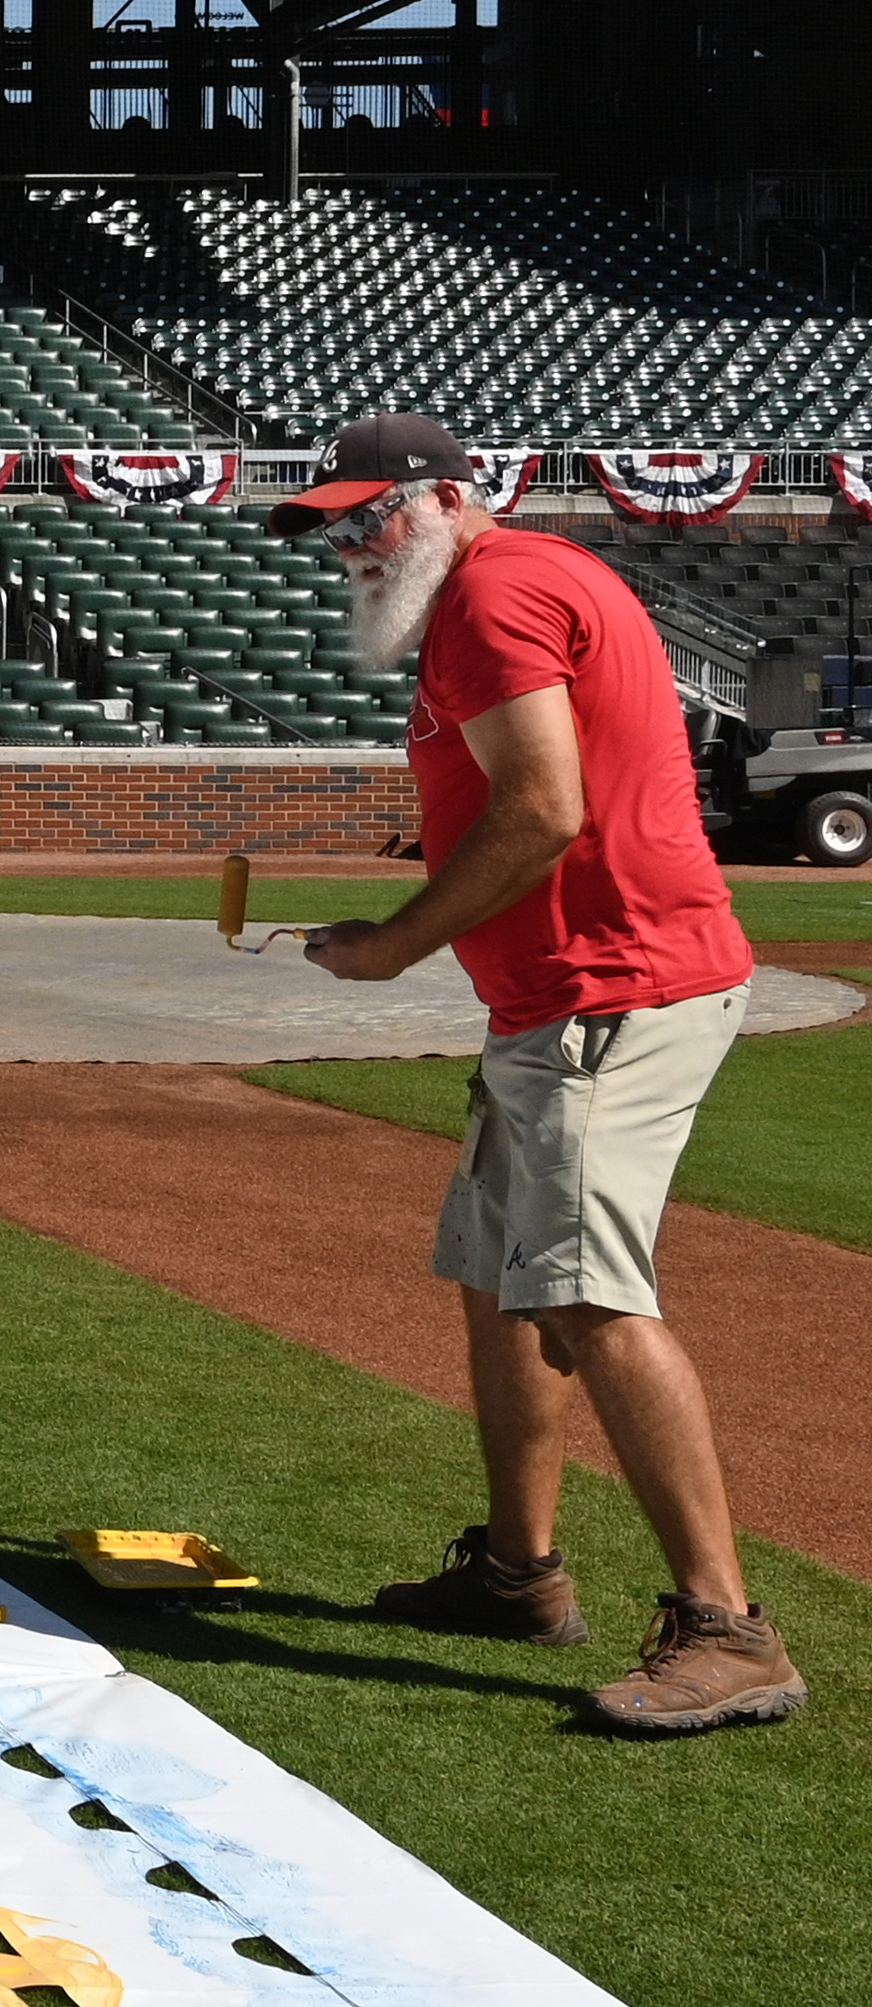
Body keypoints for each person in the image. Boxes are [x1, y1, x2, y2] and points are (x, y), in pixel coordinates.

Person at [277, 412, 807, 1733]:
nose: (352, 547)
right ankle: (518, 1573)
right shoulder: (514, 585)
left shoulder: (494, 593)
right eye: (336, 529)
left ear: (453, 495)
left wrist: (397, 945)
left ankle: (728, 1628)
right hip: (557, 999)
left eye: (370, 517)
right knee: (497, 1280)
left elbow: (542, 809)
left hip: (610, 992)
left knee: (585, 1295)